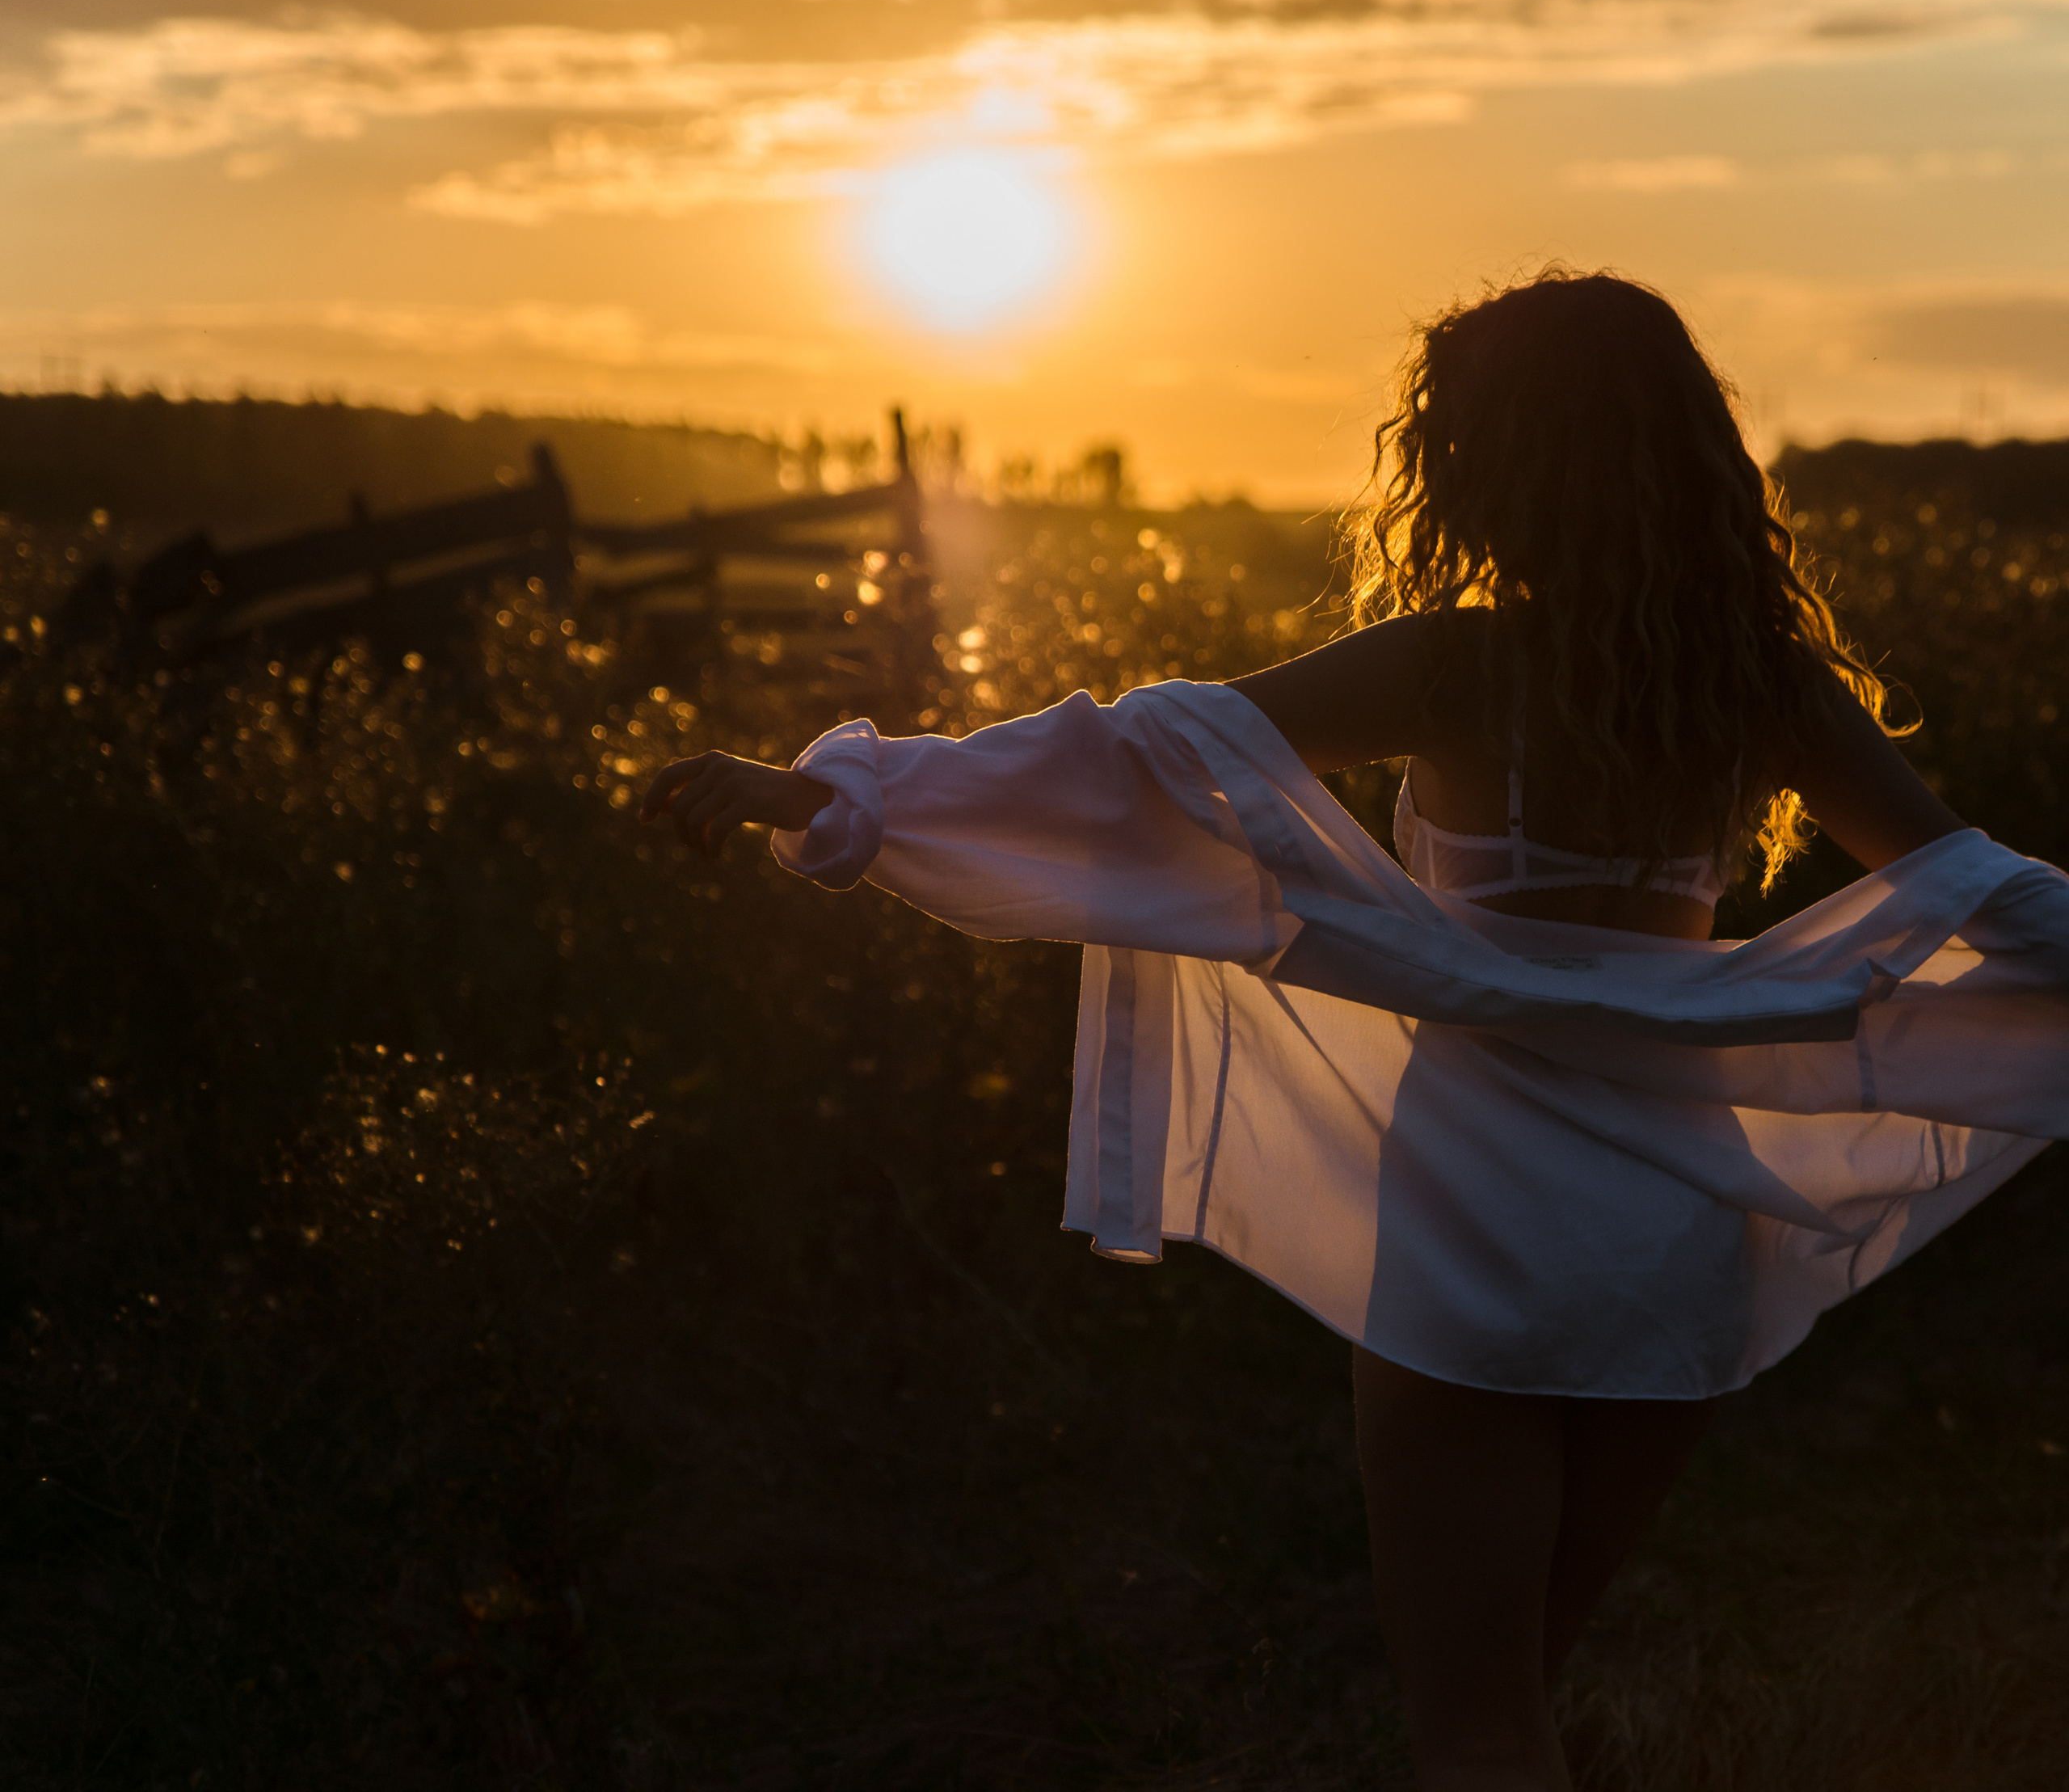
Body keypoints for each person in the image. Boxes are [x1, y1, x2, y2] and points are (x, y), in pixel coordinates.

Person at [640, 270, 2068, 1792]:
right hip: (1678, 1233)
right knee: (1522, 1693)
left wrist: (842, 793)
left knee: (1473, 1723)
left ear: (1499, 461)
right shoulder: (1756, 685)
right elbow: (1985, 891)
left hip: (1474, 1216)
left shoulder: (1457, 664)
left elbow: (1139, 765)